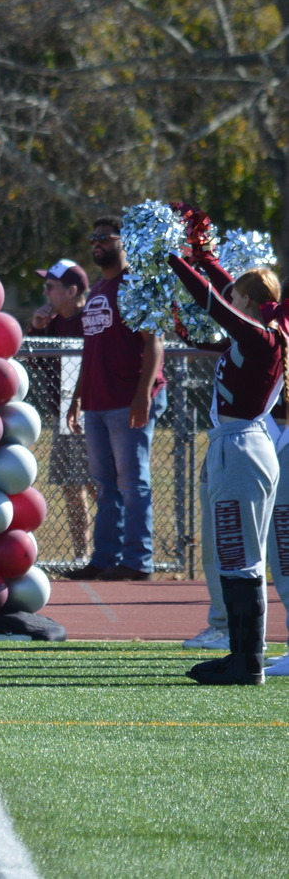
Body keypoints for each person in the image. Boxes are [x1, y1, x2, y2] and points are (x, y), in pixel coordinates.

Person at [167, 252, 285, 684]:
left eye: (238, 293)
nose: (229, 297)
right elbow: (217, 303)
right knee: (237, 554)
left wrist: (173, 260)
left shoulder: (261, 338)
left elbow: (212, 301)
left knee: (242, 556)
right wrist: (200, 259)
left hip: (242, 448)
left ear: (249, 301)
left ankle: (247, 661)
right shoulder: (253, 337)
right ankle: (242, 654)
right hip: (237, 446)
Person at [65, 217, 166, 580]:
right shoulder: (96, 290)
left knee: (132, 483)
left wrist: (144, 394)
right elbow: (91, 349)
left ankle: (138, 561)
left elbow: (154, 342)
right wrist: (77, 397)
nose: (97, 243)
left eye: (106, 238)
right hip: (96, 401)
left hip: (128, 398)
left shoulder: (134, 284)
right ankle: (104, 559)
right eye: (94, 238)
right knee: (105, 485)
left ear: (125, 243)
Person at [28, 259, 91, 561]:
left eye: (51, 287)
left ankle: (109, 550)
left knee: (96, 486)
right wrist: (37, 329)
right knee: (71, 486)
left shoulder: (91, 317)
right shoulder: (53, 321)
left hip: (90, 412)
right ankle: (82, 555)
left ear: (73, 290)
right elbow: (38, 364)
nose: (46, 293)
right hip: (64, 411)